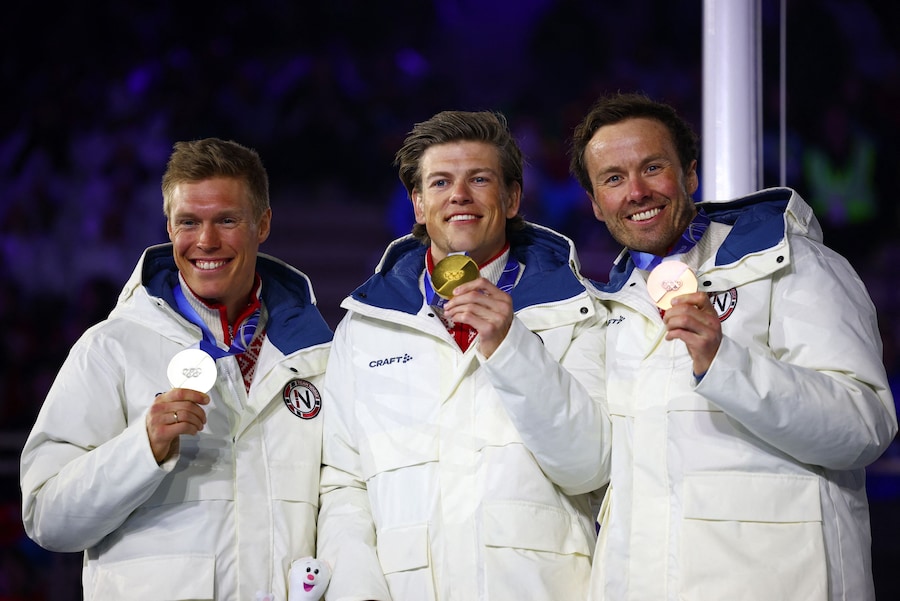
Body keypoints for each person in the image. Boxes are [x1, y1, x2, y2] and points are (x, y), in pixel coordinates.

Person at [569, 92, 897, 601]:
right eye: (613, 178)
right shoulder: (608, 308)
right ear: (595, 203)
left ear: (690, 175)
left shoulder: (791, 262)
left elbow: (863, 425)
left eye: (652, 167)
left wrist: (726, 363)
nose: (636, 191)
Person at [20, 138, 333, 600]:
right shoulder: (111, 348)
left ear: (262, 224)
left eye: (226, 220)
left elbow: (343, 501)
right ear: (169, 227)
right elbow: (47, 518)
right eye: (189, 221)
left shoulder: (319, 355)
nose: (206, 241)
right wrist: (142, 447)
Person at [316, 110, 610, 600]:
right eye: (440, 182)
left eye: (479, 179)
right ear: (417, 204)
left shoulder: (578, 310)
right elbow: (345, 485)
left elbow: (588, 467)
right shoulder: (365, 327)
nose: (459, 195)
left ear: (512, 198)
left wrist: (511, 345)